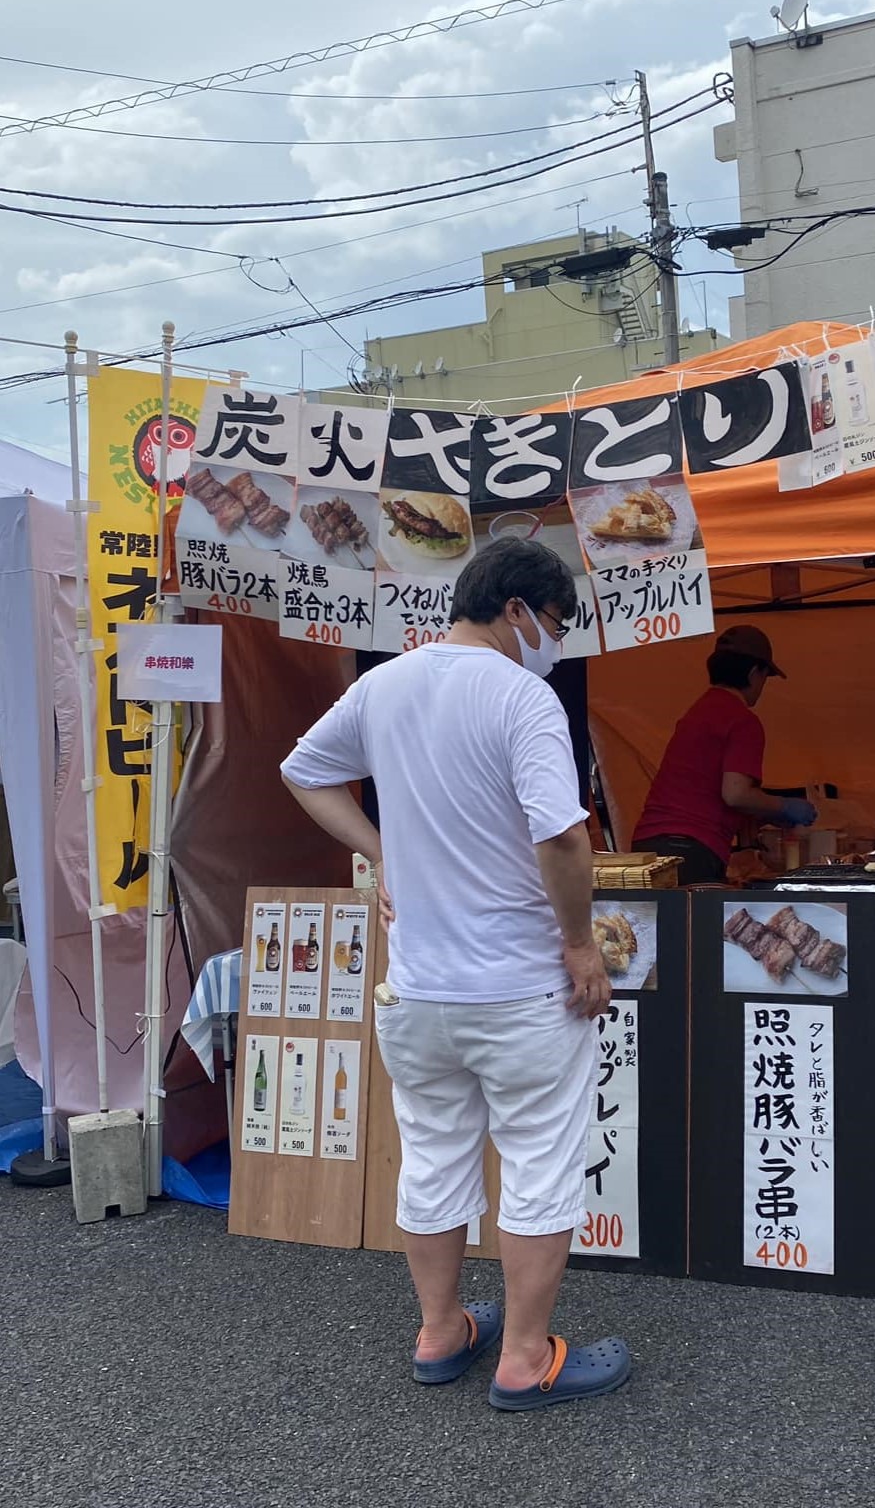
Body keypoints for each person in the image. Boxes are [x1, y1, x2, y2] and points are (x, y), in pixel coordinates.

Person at [280, 538, 630, 1413]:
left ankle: (440, 1333)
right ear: (517, 609)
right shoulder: (525, 698)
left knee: (433, 1158)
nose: (557, 639)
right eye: (555, 622)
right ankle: (522, 1357)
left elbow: (304, 771)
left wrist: (382, 852)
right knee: (540, 1164)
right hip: (518, 991)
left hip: (418, 990)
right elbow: (561, 836)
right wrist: (582, 944)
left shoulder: (384, 683)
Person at [632, 625, 815, 884]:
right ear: (754, 673)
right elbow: (736, 794)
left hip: (647, 846)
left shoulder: (698, 711)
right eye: (765, 677)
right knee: (691, 925)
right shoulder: (742, 720)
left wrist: (769, 813)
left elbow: (703, 787)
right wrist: (784, 806)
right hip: (692, 850)